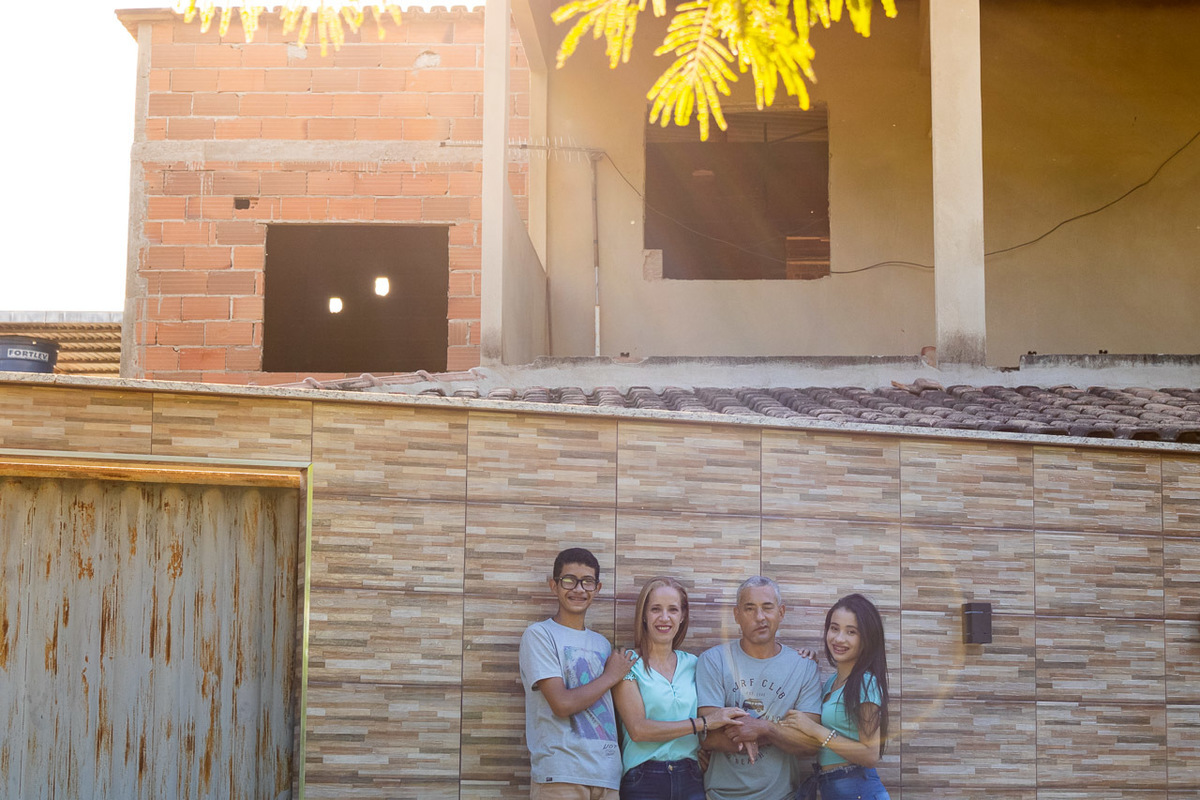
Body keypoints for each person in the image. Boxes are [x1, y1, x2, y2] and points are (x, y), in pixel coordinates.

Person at [612, 576, 747, 800]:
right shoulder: (626, 663)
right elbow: (638, 730)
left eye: (673, 610)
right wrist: (703, 724)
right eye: (655, 609)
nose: (664, 618)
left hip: (690, 776)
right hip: (643, 779)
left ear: (683, 616)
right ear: (644, 615)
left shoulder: (695, 664)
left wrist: (800, 658)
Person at [519, 547, 637, 800]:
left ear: (598, 588)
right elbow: (561, 704)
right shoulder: (539, 635)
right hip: (561, 775)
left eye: (587, 582)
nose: (579, 589)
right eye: (569, 580)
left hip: (607, 776)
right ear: (554, 585)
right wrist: (610, 676)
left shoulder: (603, 644)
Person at [696, 576, 823, 800]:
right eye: (749, 608)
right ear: (737, 615)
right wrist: (780, 733)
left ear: (781, 612)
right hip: (720, 795)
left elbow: (811, 743)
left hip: (782, 795)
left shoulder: (803, 667)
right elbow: (707, 736)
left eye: (767, 607)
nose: (760, 617)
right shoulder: (714, 660)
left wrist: (764, 728)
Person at [781, 593, 892, 800]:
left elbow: (870, 755)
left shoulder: (865, 683)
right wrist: (806, 665)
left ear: (867, 638)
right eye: (834, 628)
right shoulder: (832, 683)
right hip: (833, 788)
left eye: (851, 632)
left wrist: (815, 730)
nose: (839, 638)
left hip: (859, 789)